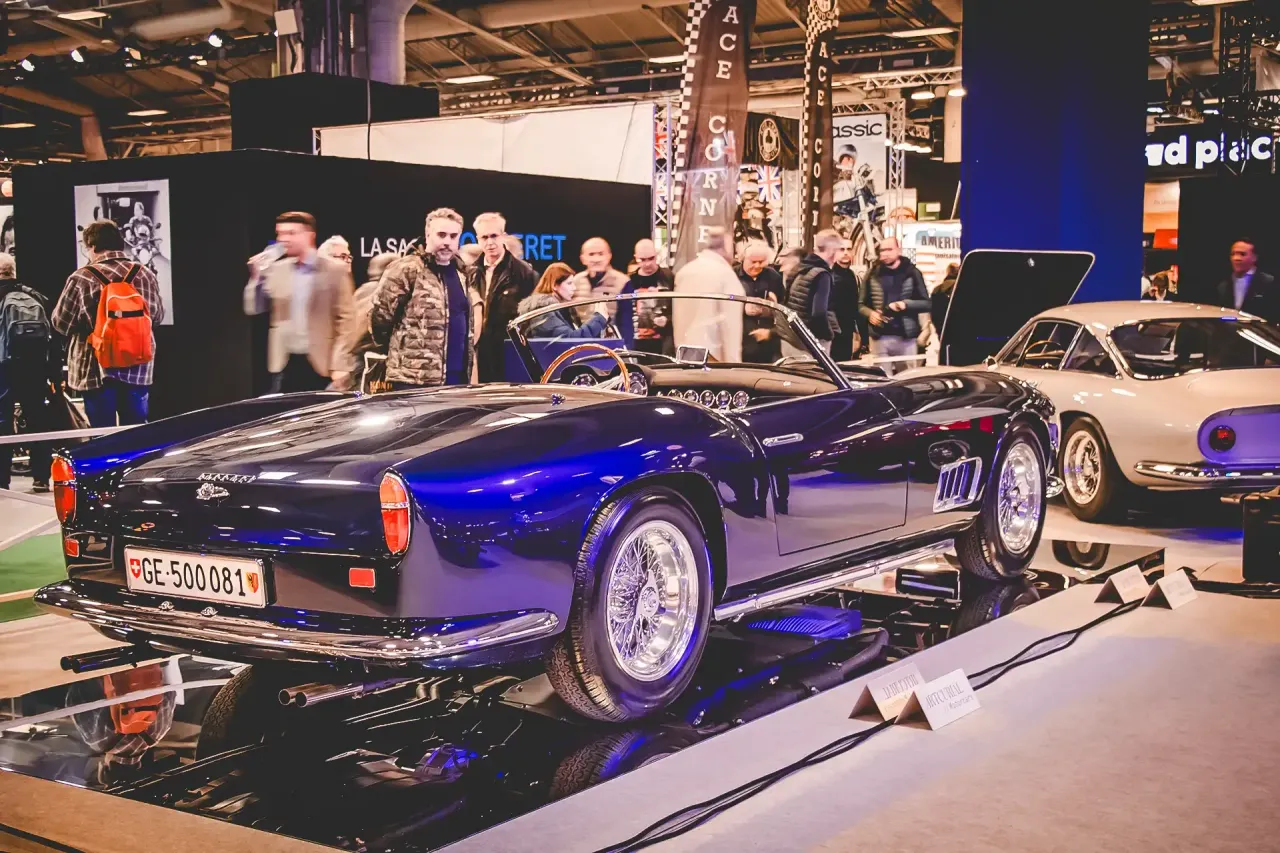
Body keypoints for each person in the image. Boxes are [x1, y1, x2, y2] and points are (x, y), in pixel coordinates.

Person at [53, 220, 164, 426]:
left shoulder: (82, 278)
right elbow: (156, 317)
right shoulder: (144, 274)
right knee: (136, 432)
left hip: (95, 368)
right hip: (137, 364)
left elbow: (61, 323)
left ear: (92, 245)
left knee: (102, 435)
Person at [243, 212, 353, 394]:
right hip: (284, 364)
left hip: (322, 364)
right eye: (280, 234)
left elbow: (347, 321)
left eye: (291, 233)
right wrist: (256, 278)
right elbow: (253, 308)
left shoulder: (335, 270)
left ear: (310, 235)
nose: (283, 239)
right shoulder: (277, 270)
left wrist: (341, 364)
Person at [371, 207, 479, 389]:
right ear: (428, 235)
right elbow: (380, 318)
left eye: (453, 236)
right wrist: (401, 353)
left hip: (456, 379)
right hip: (411, 379)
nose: (447, 242)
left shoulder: (462, 273)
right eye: (441, 235)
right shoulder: (406, 269)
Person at [0, 253, 55, 491]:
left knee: (2, 422)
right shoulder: (34, 296)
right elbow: (53, 336)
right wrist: (54, 373)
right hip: (34, 368)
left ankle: (2, 480)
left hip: (3, 368)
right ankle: (41, 477)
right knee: (37, 419)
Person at [470, 212, 537, 383]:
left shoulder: (524, 273)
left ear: (503, 236)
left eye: (494, 236)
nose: (490, 242)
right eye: (484, 237)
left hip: (509, 356)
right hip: (478, 358)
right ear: (477, 239)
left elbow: (532, 320)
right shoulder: (470, 272)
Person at [860, 236, 930, 375]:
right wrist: (870, 314)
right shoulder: (872, 274)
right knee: (882, 379)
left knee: (907, 379)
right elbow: (860, 304)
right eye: (882, 250)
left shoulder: (912, 273)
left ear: (899, 250)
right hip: (879, 336)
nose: (885, 254)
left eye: (889, 249)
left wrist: (905, 305)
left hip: (906, 337)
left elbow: (926, 303)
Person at [673, 228, 744, 363]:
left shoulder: (684, 271)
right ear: (727, 247)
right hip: (714, 356)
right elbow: (730, 326)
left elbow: (678, 317)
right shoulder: (726, 275)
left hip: (685, 352)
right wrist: (734, 364)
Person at [335, 252, 398, 392]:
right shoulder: (381, 292)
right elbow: (359, 330)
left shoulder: (362, 291)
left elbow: (348, 331)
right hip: (372, 360)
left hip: (360, 360)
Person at [784, 229, 842, 357]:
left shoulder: (799, 268)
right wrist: (828, 335)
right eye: (839, 250)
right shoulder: (822, 274)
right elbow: (819, 313)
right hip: (812, 341)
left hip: (793, 336)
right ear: (832, 251)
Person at [516, 262, 610, 339]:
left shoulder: (565, 310)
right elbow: (570, 340)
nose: (574, 288)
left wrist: (601, 329)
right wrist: (599, 320)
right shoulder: (543, 312)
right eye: (569, 283)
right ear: (554, 285)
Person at [571, 237, 633, 340]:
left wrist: (626, 348)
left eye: (600, 254)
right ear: (582, 259)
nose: (596, 259)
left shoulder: (623, 282)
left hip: (611, 344)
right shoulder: (575, 282)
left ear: (609, 256)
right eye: (591, 254)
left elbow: (627, 323)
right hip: (581, 344)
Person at [736, 242, 785, 363]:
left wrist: (772, 306)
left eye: (761, 262)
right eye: (753, 262)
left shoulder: (773, 277)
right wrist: (741, 307)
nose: (757, 266)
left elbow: (784, 305)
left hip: (767, 340)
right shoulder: (732, 276)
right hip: (740, 340)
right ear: (743, 259)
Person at [631, 238, 675, 355]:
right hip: (638, 345)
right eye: (642, 259)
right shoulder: (630, 281)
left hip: (664, 344)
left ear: (656, 255)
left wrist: (667, 319)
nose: (647, 264)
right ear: (636, 257)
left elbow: (680, 308)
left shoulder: (668, 277)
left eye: (651, 258)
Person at [1216, 240, 1278, 323]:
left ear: (1254, 257)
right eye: (1233, 254)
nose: (1236, 258)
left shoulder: (1268, 282)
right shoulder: (1223, 285)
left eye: (1242, 254)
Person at [830, 237, 861, 361]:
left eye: (849, 249)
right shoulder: (829, 276)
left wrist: (856, 331)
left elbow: (853, 306)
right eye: (842, 249)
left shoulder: (851, 275)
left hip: (847, 331)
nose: (846, 252)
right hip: (834, 332)